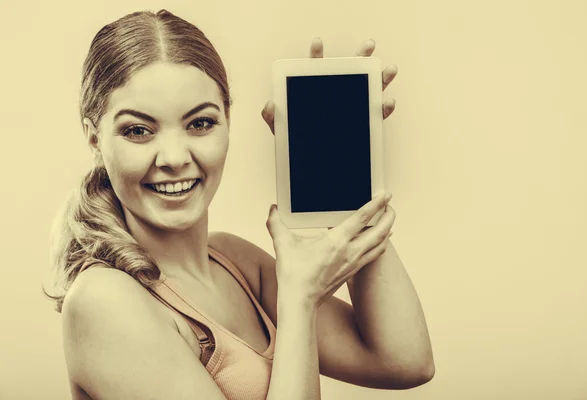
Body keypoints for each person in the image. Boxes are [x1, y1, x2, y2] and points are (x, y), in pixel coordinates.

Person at [46, 9, 434, 400]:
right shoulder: (103, 301)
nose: (175, 157)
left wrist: (339, 162)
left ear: (228, 120)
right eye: (138, 131)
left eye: (199, 123)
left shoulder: (234, 262)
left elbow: (403, 361)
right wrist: (299, 300)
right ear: (94, 138)